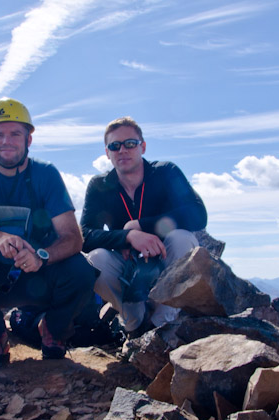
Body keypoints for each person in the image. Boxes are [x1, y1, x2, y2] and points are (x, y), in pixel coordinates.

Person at [0, 98, 96, 369]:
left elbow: (73, 237)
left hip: (39, 275)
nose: (7, 141)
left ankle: (52, 329)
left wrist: (42, 256)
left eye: (15, 133)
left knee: (82, 270)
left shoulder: (46, 174)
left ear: (29, 138)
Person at [81, 117, 207, 336]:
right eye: (114, 146)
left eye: (130, 143)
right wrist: (128, 237)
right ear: (107, 153)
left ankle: (162, 326)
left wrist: (141, 225)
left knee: (181, 239)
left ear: (143, 147)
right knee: (95, 260)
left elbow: (197, 214)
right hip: (129, 267)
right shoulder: (100, 186)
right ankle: (134, 323)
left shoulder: (165, 172)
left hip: (167, 258)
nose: (122, 150)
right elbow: (85, 235)